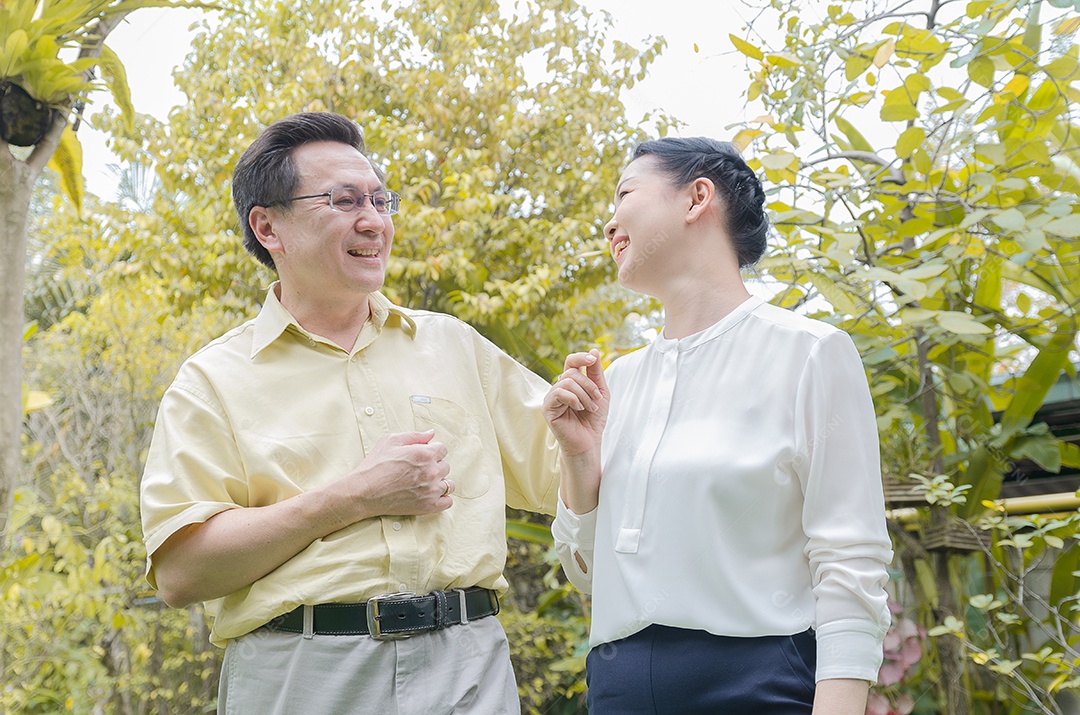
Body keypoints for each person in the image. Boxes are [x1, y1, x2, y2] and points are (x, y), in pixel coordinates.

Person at [139, 111, 560, 714]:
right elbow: (183, 572)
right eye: (343, 200)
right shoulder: (211, 381)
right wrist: (352, 498)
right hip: (302, 676)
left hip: (469, 664)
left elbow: (568, 481)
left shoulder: (454, 345)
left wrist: (581, 434)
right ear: (268, 228)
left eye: (380, 200)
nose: (373, 221)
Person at [543, 136, 893, 714]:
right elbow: (589, 577)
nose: (608, 224)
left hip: (756, 684)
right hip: (616, 687)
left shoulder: (808, 353)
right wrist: (581, 461)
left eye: (624, 194)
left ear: (696, 197)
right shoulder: (618, 383)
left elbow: (850, 561)